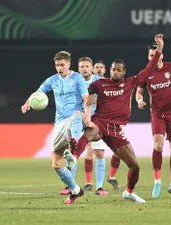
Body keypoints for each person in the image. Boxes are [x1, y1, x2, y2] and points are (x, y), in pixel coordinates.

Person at [64, 34, 165, 203]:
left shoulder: (130, 83)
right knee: (89, 131)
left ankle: (129, 192)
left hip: (116, 130)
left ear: (124, 72)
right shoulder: (99, 84)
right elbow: (85, 95)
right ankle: (73, 158)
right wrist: (88, 108)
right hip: (100, 123)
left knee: (135, 165)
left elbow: (150, 69)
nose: (115, 72)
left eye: (119, 69)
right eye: (113, 69)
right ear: (109, 71)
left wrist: (160, 48)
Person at [21, 51, 92, 204]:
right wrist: (28, 103)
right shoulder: (52, 80)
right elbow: (38, 93)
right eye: (57, 65)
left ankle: (73, 149)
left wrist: (88, 118)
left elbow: (86, 98)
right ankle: (75, 190)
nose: (59, 68)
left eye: (62, 65)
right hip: (59, 123)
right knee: (56, 164)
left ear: (69, 64)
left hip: (75, 119)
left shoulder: (77, 78)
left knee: (77, 115)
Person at [135, 41, 171, 198]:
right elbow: (138, 93)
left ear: (161, 55)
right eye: (151, 56)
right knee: (158, 145)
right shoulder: (145, 73)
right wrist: (139, 101)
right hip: (158, 114)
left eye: (156, 55)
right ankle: (157, 182)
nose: (154, 58)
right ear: (148, 57)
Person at [59, 56, 109, 195]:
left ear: (92, 68)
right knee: (73, 151)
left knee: (99, 152)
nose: (84, 69)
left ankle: (99, 187)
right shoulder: (73, 81)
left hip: (96, 120)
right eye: (81, 66)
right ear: (78, 68)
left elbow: (106, 101)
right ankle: (71, 186)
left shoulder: (100, 82)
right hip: (78, 119)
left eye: (87, 66)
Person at [93, 59, 122, 190]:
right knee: (89, 153)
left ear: (106, 70)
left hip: (111, 122)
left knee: (119, 151)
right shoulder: (89, 84)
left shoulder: (108, 84)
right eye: (96, 67)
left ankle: (111, 177)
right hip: (93, 122)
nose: (99, 69)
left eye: (101, 67)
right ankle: (88, 184)